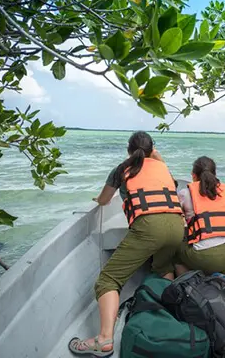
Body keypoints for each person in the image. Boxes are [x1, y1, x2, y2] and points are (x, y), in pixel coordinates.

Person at [69, 131, 185, 357]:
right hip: (176, 226)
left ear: (128, 150)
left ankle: (103, 340)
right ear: (153, 149)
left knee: (108, 280)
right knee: (164, 269)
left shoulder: (122, 169)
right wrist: (158, 157)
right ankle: (168, 318)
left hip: (149, 228)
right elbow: (171, 186)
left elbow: (104, 199)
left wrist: (97, 200)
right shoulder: (162, 167)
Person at [174, 156, 225, 276]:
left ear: (193, 175)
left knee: (174, 249)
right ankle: (218, 278)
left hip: (206, 257)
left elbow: (175, 219)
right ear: (214, 174)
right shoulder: (224, 191)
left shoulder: (185, 193)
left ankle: (186, 286)